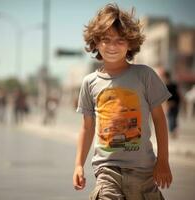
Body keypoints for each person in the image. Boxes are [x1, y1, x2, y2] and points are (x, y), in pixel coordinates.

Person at [72, 4, 172, 200]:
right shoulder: (89, 83)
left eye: (120, 40)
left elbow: (160, 120)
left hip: (144, 173)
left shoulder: (144, 75)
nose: (112, 46)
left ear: (130, 43)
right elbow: (87, 128)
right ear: (96, 42)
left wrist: (163, 161)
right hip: (107, 171)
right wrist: (78, 164)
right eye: (106, 40)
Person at [162, 71, 181, 139]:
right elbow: (178, 94)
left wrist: (165, 106)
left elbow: (165, 97)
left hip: (170, 104)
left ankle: (172, 131)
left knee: (171, 118)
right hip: (176, 103)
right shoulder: (174, 84)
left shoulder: (165, 86)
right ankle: (174, 131)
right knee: (174, 118)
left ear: (165, 77)